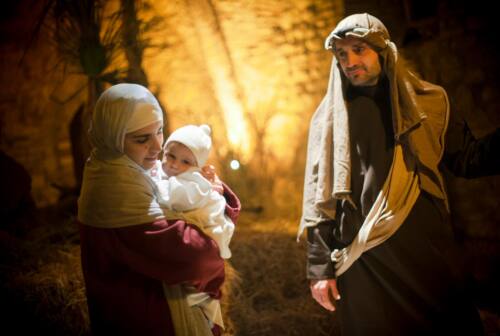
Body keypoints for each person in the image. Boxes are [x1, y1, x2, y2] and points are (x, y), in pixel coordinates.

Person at [298, 13, 484, 335]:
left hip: (424, 254)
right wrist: (319, 269)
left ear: (383, 51)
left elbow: (467, 159)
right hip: (364, 262)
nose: (350, 61)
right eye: (342, 54)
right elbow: (319, 199)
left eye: (359, 50)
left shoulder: (426, 103)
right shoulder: (328, 120)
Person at [77, 83, 240, 336]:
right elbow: (194, 258)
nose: (157, 147)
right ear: (113, 136)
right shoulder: (116, 184)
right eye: (142, 139)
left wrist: (211, 191)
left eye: (160, 131)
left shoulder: (124, 167)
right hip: (145, 316)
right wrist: (213, 233)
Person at [150, 123, 236, 331]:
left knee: (198, 294)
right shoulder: (168, 174)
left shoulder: (191, 182)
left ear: (197, 166)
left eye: (185, 161)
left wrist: (148, 182)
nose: (174, 165)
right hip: (193, 253)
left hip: (207, 235)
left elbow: (173, 198)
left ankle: (203, 321)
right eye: (170, 155)